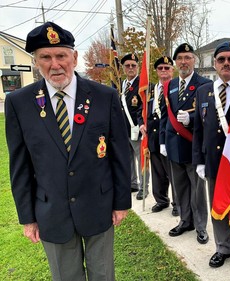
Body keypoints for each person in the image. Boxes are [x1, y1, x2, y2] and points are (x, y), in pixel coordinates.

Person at [5, 22, 131, 281]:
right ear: (36, 61)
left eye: (61, 55)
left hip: (99, 206)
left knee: (103, 275)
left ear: (74, 57)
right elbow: (20, 165)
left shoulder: (104, 96)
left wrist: (121, 203)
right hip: (51, 211)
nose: (55, 64)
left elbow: (120, 154)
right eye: (45, 57)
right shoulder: (19, 103)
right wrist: (27, 218)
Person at [193, 41, 230, 273]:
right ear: (215, 63)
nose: (226, 63)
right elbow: (198, 129)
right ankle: (223, 248)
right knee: (218, 207)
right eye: (222, 59)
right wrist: (199, 161)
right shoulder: (204, 91)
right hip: (213, 161)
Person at [159, 43, 210, 244]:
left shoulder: (204, 84)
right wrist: (163, 140)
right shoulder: (170, 85)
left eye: (187, 57)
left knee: (197, 190)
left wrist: (192, 120)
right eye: (180, 58)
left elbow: (210, 117)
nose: (183, 62)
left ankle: (200, 226)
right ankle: (185, 220)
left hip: (193, 146)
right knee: (179, 188)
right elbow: (165, 115)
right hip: (173, 145)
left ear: (194, 60)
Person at [139, 56, 178, 215]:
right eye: (160, 68)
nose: (163, 71)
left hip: (171, 137)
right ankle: (161, 200)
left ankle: (177, 203)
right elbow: (139, 110)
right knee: (158, 173)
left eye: (167, 68)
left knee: (174, 174)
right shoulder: (150, 90)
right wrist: (141, 123)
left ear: (172, 70)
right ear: (156, 71)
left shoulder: (176, 88)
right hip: (154, 137)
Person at [120, 53, 150, 200]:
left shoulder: (142, 84)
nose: (130, 68)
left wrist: (140, 124)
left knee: (141, 159)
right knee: (128, 158)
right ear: (123, 68)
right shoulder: (123, 84)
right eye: (127, 65)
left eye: (133, 65)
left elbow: (143, 106)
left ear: (138, 67)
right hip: (124, 129)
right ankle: (133, 183)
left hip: (137, 128)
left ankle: (144, 188)